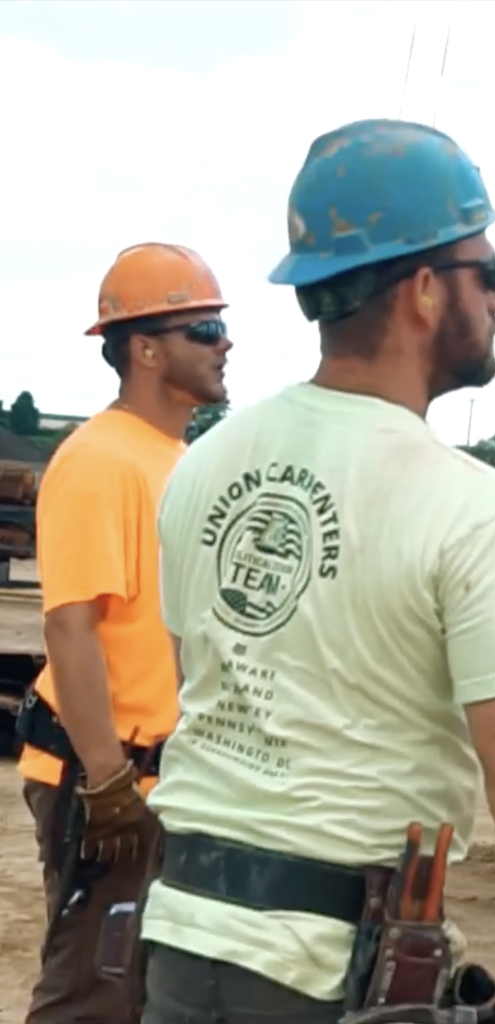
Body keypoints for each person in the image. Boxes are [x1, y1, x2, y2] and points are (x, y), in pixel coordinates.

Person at [138, 118, 495, 1024]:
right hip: (327, 974)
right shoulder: (466, 502)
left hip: (183, 943)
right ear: (420, 287)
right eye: (486, 272)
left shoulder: (206, 466)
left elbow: (205, 675)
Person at [15, 242, 232, 1024]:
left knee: (139, 997)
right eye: (204, 328)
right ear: (145, 348)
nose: (225, 343)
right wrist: (106, 781)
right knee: (90, 998)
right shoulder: (101, 460)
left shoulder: (174, 458)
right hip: (105, 780)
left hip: (157, 781)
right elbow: (71, 623)